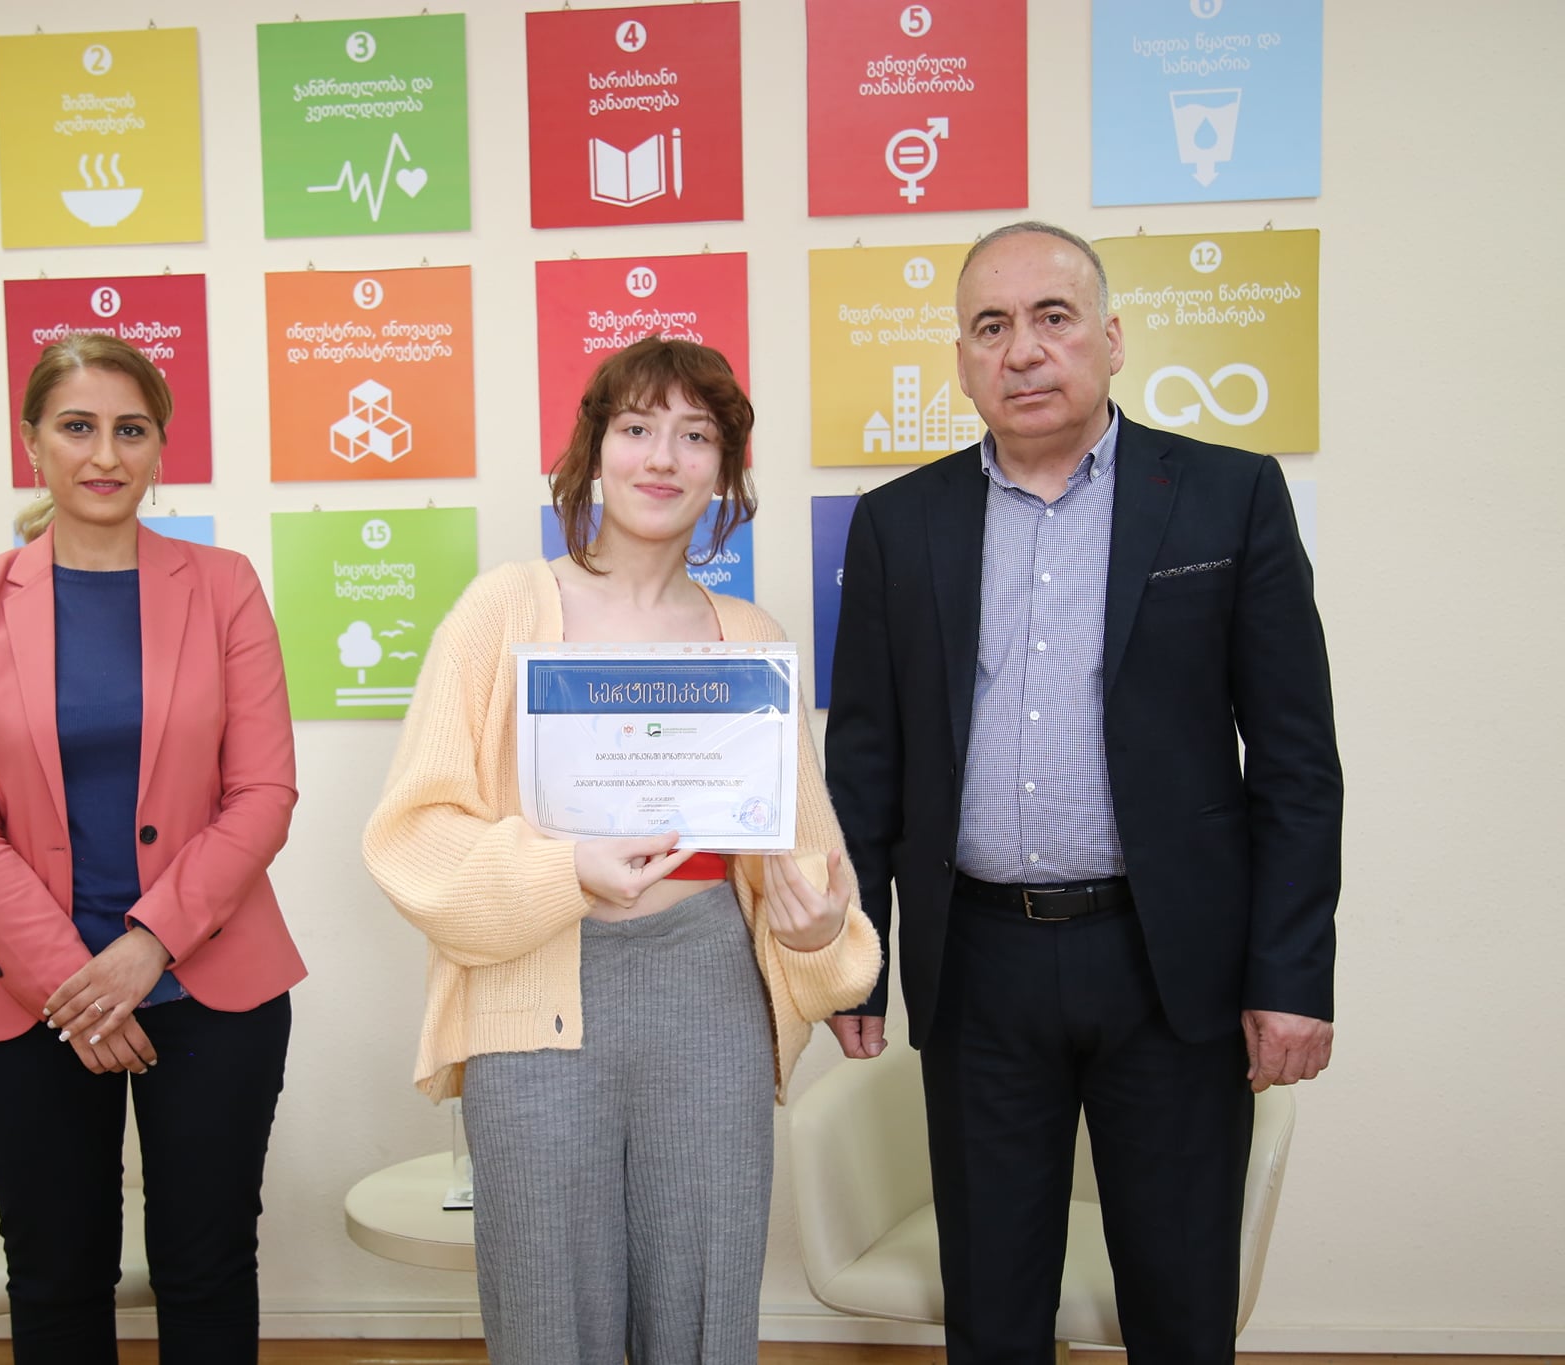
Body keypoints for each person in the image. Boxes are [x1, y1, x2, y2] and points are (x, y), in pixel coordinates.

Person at [825, 221, 1343, 1365]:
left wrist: (1289, 975)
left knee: (1178, 1307)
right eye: (989, 326)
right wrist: (855, 960)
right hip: (978, 970)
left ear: (1109, 340)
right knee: (991, 1312)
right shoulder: (898, 523)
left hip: (1168, 968)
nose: (1021, 350)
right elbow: (863, 765)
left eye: (1051, 318)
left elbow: (1295, 763)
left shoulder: (1226, 498)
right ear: (960, 361)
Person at [363, 337, 881, 1365]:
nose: (663, 457)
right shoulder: (502, 609)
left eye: (696, 435)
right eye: (637, 427)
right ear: (594, 448)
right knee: (547, 1311)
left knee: (703, 1305)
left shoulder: (747, 636)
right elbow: (411, 836)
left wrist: (820, 929)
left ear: (724, 468)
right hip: (534, 999)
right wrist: (565, 871)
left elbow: (810, 869)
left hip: (709, 999)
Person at [0, 335, 303, 1364]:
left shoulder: (222, 584)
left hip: (210, 988)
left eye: (130, 430)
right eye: (76, 427)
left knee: (206, 1271)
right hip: (25, 1000)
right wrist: (71, 982)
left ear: (159, 447)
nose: (104, 454)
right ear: (32, 443)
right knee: (56, 1280)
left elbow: (263, 794)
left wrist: (145, 948)